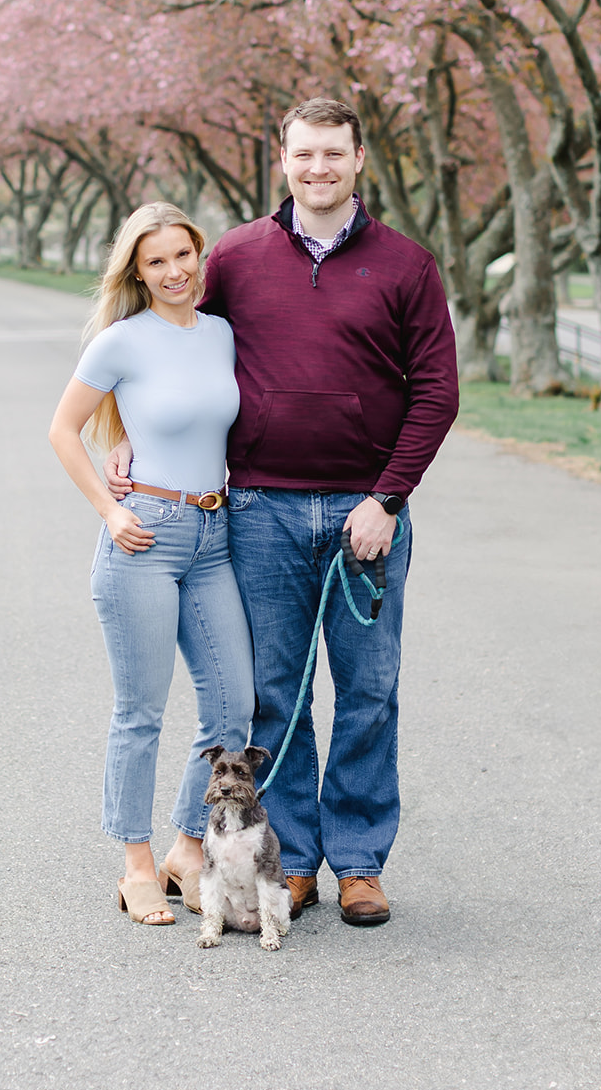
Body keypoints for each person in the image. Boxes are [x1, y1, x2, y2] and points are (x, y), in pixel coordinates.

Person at [108, 99, 459, 926]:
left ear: (359, 159)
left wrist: (387, 497)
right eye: (304, 155)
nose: (318, 169)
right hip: (259, 510)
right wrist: (121, 430)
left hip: (363, 517)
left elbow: (437, 392)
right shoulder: (233, 256)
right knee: (278, 698)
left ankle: (362, 863)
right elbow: (169, 345)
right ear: (283, 159)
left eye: (333, 154)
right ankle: (291, 860)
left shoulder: (407, 266)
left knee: (369, 691)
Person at [49, 201, 254, 925]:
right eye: (155, 261)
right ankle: (136, 863)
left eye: (182, 255)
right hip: (144, 535)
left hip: (214, 532)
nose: (173, 272)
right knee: (140, 712)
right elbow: (62, 430)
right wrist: (110, 509)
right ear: (136, 272)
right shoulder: (120, 342)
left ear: (202, 257)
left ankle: (186, 848)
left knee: (233, 705)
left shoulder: (224, 334)